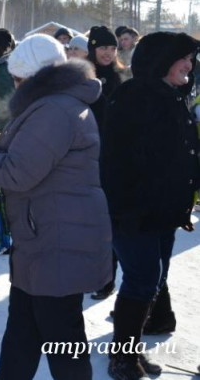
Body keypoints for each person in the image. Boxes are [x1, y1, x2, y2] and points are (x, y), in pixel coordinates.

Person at [0, 34, 112, 380]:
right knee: (24, 330)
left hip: (56, 241)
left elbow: (17, 172)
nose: (16, 86)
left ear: (32, 79)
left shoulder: (54, 110)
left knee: (62, 340)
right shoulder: (55, 104)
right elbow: (33, 155)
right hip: (45, 236)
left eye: (18, 79)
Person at [101, 32, 200, 380]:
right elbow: (117, 161)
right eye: (183, 58)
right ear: (162, 61)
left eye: (191, 59)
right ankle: (122, 357)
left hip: (164, 211)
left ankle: (131, 349)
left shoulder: (172, 96)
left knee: (153, 281)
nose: (190, 65)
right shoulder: (136, 97)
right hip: (134, 212)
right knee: (142, 280)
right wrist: (127, 208)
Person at [86, 25, 125, 301]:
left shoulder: (120, 78)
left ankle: (106, 278)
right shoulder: (83, 77)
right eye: (103, 47)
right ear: (93, 48)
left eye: (112, 48)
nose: (108, 53)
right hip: (84, 156)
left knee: (106, 221)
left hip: (112, 158)